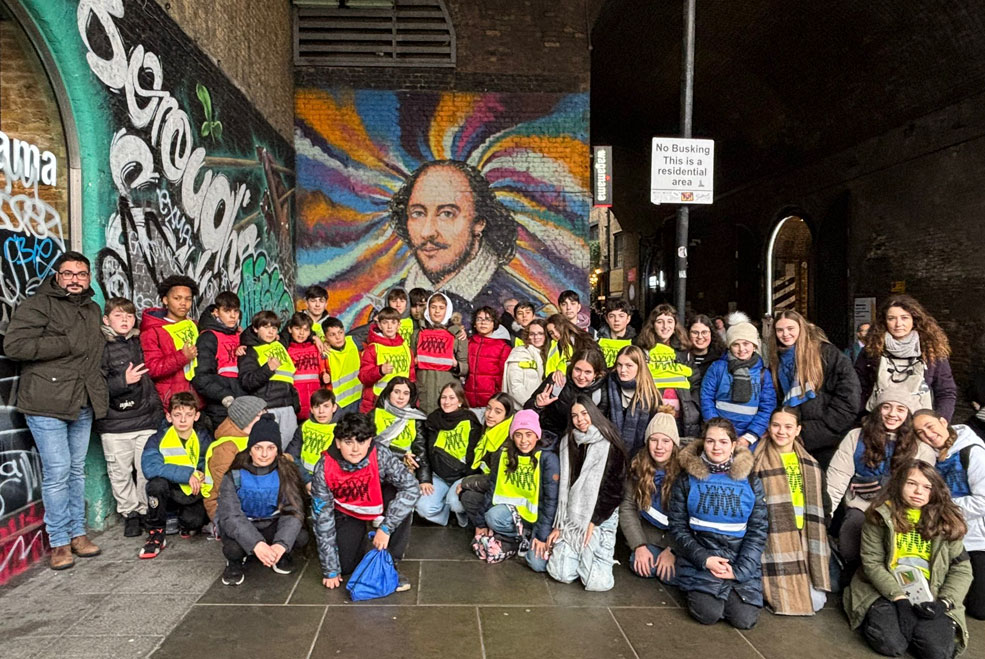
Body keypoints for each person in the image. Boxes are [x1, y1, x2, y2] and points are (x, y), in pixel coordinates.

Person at [3, 251, 108, 569]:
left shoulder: (92, 309)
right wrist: (65, 343)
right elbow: (14, 346)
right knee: (58, 472)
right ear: (58, 276)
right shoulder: (38, 305)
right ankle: (59, 542)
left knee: (76, 470)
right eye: (69, 273)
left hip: (82, 401)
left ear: (89, 278)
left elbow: (92, 355)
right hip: (46, 402)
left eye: (81, 274)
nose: (75, 279)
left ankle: (78, 534)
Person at [843, 461, 973, 659]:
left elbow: (962, 569)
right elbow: (873, 563)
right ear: (899, 484)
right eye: (911, 483)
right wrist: (900, 599)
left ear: (935, 490)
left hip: (931, 592)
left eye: (927, 486)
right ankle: (877, 615)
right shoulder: (879, 516)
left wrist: (944, 603)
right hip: (887, 590)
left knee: (938, 652)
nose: (918, 491)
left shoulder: (946, 521)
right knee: (891, 645)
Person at [388, 159, 541, 320]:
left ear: (479, 223)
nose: (427, 232)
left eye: (447, 214)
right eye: (418, 213)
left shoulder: (523, 309)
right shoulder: (391, 302)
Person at [668, 417, 768, 629]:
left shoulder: (750, 480)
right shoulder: (686, 479)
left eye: (723, 442)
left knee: (744, 620)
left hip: (738, 557)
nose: (716, 447)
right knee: (708, 614)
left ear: (733, 445)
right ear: (703, 443)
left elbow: (758, 529)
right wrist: (704, 559)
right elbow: (678, 526)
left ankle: (728, 589)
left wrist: (740, 570)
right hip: (702, 557)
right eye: (710, 441)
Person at [826, 388, 935, 575]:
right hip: (861, 505)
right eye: (886, 407)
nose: (892, 414)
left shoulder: (921, 448)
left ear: (908, 414)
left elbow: (922, 489)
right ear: (878, 410)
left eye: (900, 409)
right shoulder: (856, 437)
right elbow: (837, 478)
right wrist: (826, 512)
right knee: (851, 535)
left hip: (900, 509)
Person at [312, 413, 419, 590]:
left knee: (400, 498)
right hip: (347, 512)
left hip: (378, 502)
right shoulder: (324, 468)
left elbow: (411, 487)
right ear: (338, 443)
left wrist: (387, 527)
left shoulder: (380, 454)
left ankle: (390, 562)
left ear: (370, 441)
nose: (355, 449)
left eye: (361, 442)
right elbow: (322, 519)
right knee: (345, 567)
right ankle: (363, 544)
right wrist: (330, 569)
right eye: (348, 442)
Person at [534, 396, 626, 591]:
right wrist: (560, 524)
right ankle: (577, 554)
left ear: (593, 414)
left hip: (601, 513)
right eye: (574, 415)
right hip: (572, 515)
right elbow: (565, 488)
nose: (580, 419)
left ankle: (590, 555)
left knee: (597, 583)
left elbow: (615, 491)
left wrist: (594, 521)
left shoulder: (609, 443)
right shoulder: (568, 443)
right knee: (561, 573)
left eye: (584, 414)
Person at [752, 407, 831, 615]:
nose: (781, 431)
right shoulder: (755, 461)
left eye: (788, 427)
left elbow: (824, 504)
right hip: (770, 538)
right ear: (769, 428)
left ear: (798, 430)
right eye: (776, 425)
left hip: (802, 537)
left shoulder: (811, 465)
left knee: (816, 601)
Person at [95, 297, 163, 537]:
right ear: (106, 319)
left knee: (145, 470)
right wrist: (124, 381)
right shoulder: (98, 345)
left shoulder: (139, 341)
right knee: (120, 473)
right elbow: (94, 385)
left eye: (129, 315)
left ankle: (145, 511)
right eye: (118, 315)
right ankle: (130, 514)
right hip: (115, 424)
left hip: (145, 420)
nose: (124, 320)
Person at [217, 414, 308, 585]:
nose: (264, 454)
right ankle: (235, 562)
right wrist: (256, 544)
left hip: (271, 523)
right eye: (258, 448)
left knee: (300, 537)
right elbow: (231, 516)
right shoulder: (234, 474)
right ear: (250, 449)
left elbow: (293, 510)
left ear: (277, 450)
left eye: (271, 448)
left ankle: (279, 554)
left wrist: (281, 544)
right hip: (245, 524)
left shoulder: (286, 472)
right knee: (233, 549)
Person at [913, 410, 985, 619]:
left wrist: (940, 508)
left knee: (979, 609)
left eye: (930, 426)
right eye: (920, 432)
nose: (928, 434)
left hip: (975, 537)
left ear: (943, 422)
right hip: (941, 535)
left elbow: (983, 501)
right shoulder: (929, 456)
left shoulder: (972, 452)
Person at [765, 310, 861, 468]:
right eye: (780, 330)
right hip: (791, 438)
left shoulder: (825, 353)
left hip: (827, 440)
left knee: (822, 488)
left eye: (790, 328)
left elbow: (849, 394)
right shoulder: (776, 361)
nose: (785, 334)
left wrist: (823, 428)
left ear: (801, 328)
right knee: (796, 489)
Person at [465, 410, 560, 565]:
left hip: (540, 517)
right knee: (492, 516)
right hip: (516, 516)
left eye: (529, 434)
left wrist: (542, 536)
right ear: (512, 436)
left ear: (537, 435)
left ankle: (525, 538)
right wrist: (480, 523)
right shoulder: (503, 455)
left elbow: (551, 501)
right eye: (518, 434)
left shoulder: (548, 459)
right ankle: (518, 539)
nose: (523, 440)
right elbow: (493, 488)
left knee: (536, 564)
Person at [856, 294, 957, 421]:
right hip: (879, 422)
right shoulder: (871, 350)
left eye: (904, 318)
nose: (898, 324)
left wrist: (940, 419)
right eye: (891, 318)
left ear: (914, 319)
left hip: (919, 421)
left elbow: (946, 391)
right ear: (884, 321)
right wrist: (863, 417)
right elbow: (858, 387)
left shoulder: (932, 350)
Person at [140, 392, 213, 558]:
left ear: (196, 416)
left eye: (188, 415)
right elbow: (150, 467)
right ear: (169, 416)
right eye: (177, 415)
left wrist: (201, 473)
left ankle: (182, 521)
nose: (182, 420)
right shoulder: (158, 438)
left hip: (192, 492)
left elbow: (209, 462)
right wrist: (187, 474)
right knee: (155, 484)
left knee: (193, 522)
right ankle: (156, 532)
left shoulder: (203, 437)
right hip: (170, 490)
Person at [619, 413, 681, 582]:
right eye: (654, 440)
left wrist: (672, 549)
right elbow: (627, 509)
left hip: (677, 539)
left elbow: (688, 518)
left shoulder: (684, 471)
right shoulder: (637, 467)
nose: (659, 446)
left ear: (674, 444)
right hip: (650, 536)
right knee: (641, 566)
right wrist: (639, 545)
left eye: (666, 441)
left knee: (670, 576)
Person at [700, 316, 776, 449]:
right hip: (719, 435)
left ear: (754, 345)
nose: (741, 349)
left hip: (748, 437)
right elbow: (706, 398)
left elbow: (767, 406)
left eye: (746, 344)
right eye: (736, 344)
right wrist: (716, 429)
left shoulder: (763, 374)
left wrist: (750, 436)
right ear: (730, 347)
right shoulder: (718, 368)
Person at [413, 382, 483, 526]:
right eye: (444, 397)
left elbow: (475, 455)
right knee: (423, 508)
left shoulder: (470, 421)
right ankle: (446, 514)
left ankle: (458, 512)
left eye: (452, 397)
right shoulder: (433, 420)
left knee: (456, 503)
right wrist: (424, 478)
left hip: (461, 476)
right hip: (438, 475)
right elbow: (424, 452)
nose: (447, 401)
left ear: (460, 401)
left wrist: (467, 482)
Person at [238, 311, 300, 450]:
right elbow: (247, 382)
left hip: (288, 408)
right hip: (268, 410)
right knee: (269, 453)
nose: (271, 332)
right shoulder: (250, 351)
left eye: (274, 328)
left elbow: (298, 326)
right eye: (266, 327)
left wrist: (316, 337)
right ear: (255, 329)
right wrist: (268, 369)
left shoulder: (279, 344)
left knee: (289, 454)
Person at [636, 304, 701, 437]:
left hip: (683, 414)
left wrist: (693, 406)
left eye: (670, 321)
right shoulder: (642, 351)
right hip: (651, 412)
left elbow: (695, 382)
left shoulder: (684, 351)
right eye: (660, 322)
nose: (665, 326)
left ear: (675, 325)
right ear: (653, 325)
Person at [201, 395, 267, 521]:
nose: (265, 418)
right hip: (222, 506)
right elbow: (226, 488)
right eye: (260, 415)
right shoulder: (226, 447)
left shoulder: (254, 436)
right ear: (246, 419)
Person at [140, 274, 201, 408]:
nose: (183, 303)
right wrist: (182, 357)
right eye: (177, 298)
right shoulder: (152, 331)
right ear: (165, 300)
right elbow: (151, 368)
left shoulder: (194, 326)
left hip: (196, 402)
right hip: (169, 404)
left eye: (188, 299)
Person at [527, 348, 609, 439]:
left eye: (587, 372)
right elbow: (527, 411)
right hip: (550, 437)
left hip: (580, 441)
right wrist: (537, 405)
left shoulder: (600, 392)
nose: (581, 377)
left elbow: (600, 425)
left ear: (596, 374)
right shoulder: (557, 381)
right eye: (577, 370)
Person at [192, 291, 244, 430]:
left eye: (236, 311)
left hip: (244, 403)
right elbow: (201, 377)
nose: (233, 316)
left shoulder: (240, 335)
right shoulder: (209, 337)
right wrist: (224, 396)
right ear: (216, 312)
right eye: (227, 311)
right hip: (221, 406)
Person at [413, 292, 469, 414]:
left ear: (447, 310)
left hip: (447, 393)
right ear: (428, 309)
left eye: (441, 308)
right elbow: (409, 362)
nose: (437, 311)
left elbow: (466, 368)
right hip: (423, 392)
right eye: (433, 307)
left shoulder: (457, 335)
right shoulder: (417, 333)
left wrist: (456, 364)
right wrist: (414, 362)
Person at [606, 345, 661, 456]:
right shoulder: (607, 385)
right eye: (619, 365)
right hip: (609, 451)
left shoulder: (652, 397)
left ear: (639, 367)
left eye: (629, 365)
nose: (623, 370)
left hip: (640, 455)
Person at [358, 306, 414, 413]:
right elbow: (363, 377)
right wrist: (380, 371)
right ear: (379, 325)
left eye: (393, 322)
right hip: (377, 402)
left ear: (399, 325)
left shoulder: (406, 348)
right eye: (385, 322)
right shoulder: (373, 348)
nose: (389, 326)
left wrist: (413, 400)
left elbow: (411, 378)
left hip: (402, 404)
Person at [464, 306, 512, 410]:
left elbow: (503, 377)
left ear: (494, 323)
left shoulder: (503, 347)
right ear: (474, 324)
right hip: (467, 400)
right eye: (479, 319)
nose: (483, 322)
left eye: (487, 319)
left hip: (491, 401)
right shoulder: (468, 343)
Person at [283, 312, 328, 421]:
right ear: (290, 329)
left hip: (316, 401)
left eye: (306, 330)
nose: (301, 333)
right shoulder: (286, 350)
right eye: (297, 328)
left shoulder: (316, 347)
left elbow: (322, 366)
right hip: (296, 401)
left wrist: (324, 375)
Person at [286, 389, 338, 479]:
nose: (321, 411)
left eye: (326, 406)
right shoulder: (305, 426)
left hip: (327, 479)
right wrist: (306, 479)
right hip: (303, 475)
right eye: (317, 407)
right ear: (311, 409)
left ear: (334, 408)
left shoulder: (340, 429)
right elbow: (292, 453)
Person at [372, 377, 427, 461]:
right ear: (389, 393)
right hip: (381, 463)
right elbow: (371, 446)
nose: (401, 397)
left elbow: (421, 454)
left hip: (409, 466)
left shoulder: (416, 417)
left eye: (406, 393)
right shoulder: (374, 414)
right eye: (396, 392)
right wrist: (402, 455)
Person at [320, 317, 363, 418]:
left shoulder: (353, 342)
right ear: (325, 337)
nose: (338, 337)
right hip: (338, 405)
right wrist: (316, 338)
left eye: (340, 332)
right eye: (332, 335)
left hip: (358, 399)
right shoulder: (324, 352)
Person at [502, 318, 549, 405]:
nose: (536, 337)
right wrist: (532, 404)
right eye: (532, 334)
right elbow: (515, 386)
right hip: (524, 408)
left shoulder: (552, 354)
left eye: (540, 333)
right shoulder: (519, 353)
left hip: (546, 408)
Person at [544, 313, 594, 378]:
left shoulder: (580, 340)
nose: (555, 334)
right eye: (551, 333)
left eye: (557, 329)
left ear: (563, 325)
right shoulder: (554, 345)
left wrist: (562, 370)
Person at [597, 299, 637, 367]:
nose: (616, 320)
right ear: (606, 319)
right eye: (612, 316)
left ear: (628, 319)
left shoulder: (636, 343)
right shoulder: (597, 342)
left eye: (621, 316)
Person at [687, 313, 725, 382]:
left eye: (704, 332)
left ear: (711, 333)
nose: (700, 337)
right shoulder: (681, 358)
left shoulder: (721, 357)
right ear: (688, 334)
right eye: (695, 332)